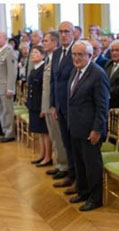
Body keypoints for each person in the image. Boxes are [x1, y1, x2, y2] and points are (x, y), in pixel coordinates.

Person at [67, 40, 109, 211]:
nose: (76, 58)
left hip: (91, 130)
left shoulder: (97, 74)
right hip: (76, 127)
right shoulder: (75, 71)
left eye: (80, 55)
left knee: (92, 166)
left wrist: (97, 129)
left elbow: (102, 105)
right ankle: (83, 191)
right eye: (74, 54)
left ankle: (95, 198)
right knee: (80, 163)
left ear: (90, 56)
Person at [50, 21, 77, 193]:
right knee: (66, 143)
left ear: (74, 33)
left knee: (75, 145)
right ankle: (70, 172)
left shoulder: (77, 52)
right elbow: (54, 80)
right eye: (60, 32)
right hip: (59, 107)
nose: (63, 35)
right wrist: (53, 104)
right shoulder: (57, 53)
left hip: (73, 108)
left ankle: (77, 178)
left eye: (66, 31)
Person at [41, 31, 69, 180]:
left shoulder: (59, 57)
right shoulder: (52, 57)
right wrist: (49, 105)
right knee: (54, 136)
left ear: (54, 42)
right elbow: (50, 84)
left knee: (59, 136)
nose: (43, 43)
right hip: (51, 104)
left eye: (46, 41)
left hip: (60, 105)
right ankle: (59, 163)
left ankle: (64, 164)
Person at [26, 45, 51, 166]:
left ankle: (48, 157)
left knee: (45, 132)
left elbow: (44, 90)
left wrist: (43, 107)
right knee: (39, 132)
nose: (33, 55)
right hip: (33, 105)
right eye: (32, 53)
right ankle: (42, 154)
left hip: (40, 105)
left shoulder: (44, 69)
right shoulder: (34, 69)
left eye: (36, 53)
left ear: (42, 55)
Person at [0, 31, 17, 143]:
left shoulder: (9, 52)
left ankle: (10, 133)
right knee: (1, 111)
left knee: (7, 111)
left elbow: (12, 72)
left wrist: (10, 88)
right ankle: (4, 130)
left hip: (5, 88)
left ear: (5, 39)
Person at [106, 39, 119, 109]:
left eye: (117, 50)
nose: (114, 53)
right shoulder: (108, 64)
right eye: (112, 50)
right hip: (108, 103)